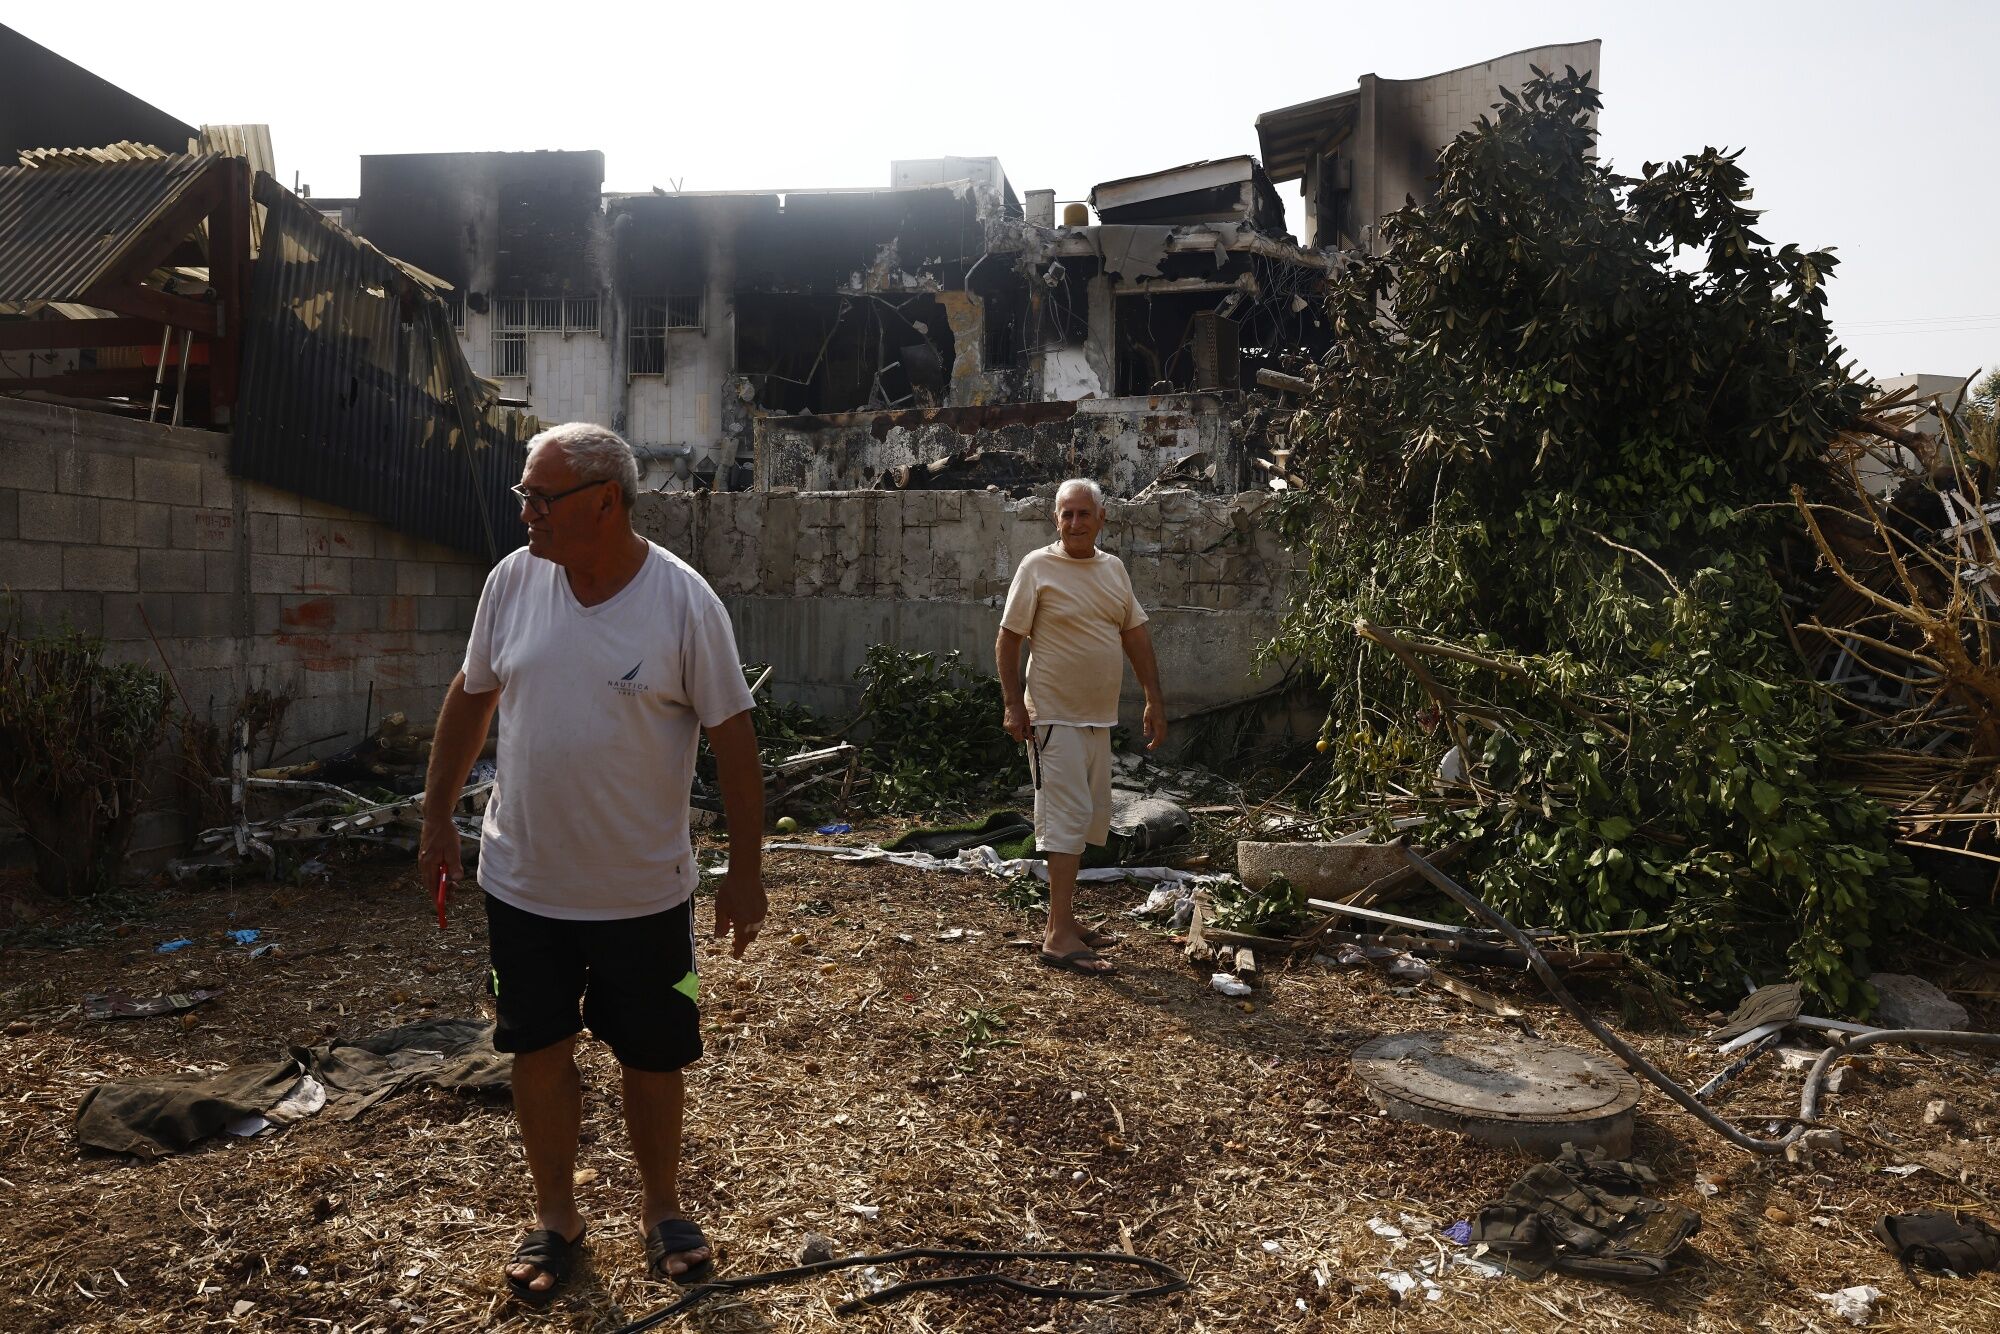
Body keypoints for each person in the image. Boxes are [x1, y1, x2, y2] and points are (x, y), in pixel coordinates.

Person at [417, 422, 766, 1307]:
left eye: (542, 497)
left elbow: (733, 739)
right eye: (524, 496)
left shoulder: (682, 602)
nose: (526, 513)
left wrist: (746, 870)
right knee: (536, 1049)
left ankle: (662, 1207)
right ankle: (556, 1215)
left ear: (606, 501)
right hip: (523, 884)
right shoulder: (512, 582)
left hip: (642, 893)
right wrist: (436, 818)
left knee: (653, 1055)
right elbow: (472, 695)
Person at [995, 478, 1167, 977]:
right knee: (1065, 823)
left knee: (1087, 820)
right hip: (1053, 718)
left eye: (1083, 514)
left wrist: (1154, 698)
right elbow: (1008, 639)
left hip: (1097, 719)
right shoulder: (1037, 567)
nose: (1074, 523)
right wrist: (1013, 705)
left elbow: (1135, 635)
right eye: (1066, 514)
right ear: (1055, 519)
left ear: (1101, 518)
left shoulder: (1112, 570)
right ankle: (1057, 938)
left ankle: (1065, 919)